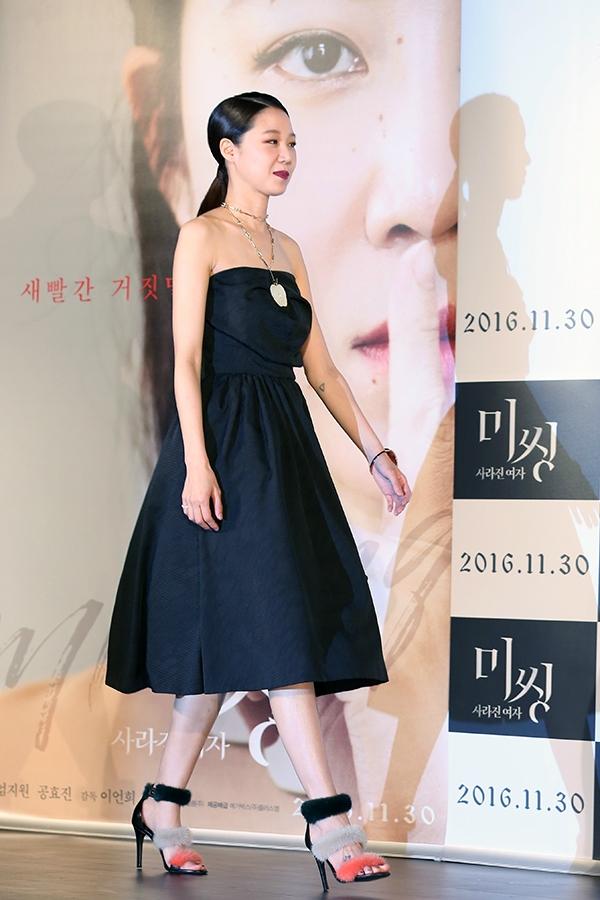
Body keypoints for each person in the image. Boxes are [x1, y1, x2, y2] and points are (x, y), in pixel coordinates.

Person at [105, 91, 411, 882]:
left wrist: (376, 452)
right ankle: (330, 824)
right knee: (278, 639)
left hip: (285, 458)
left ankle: (162, 806)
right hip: (221, 452)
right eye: (271, 141)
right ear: (228, 150)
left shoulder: (289, 248)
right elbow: (182, 361)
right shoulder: (201, 236)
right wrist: (197, 463)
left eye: (292, 142)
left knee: (239, 643)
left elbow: (322, 370)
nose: (286, 156)